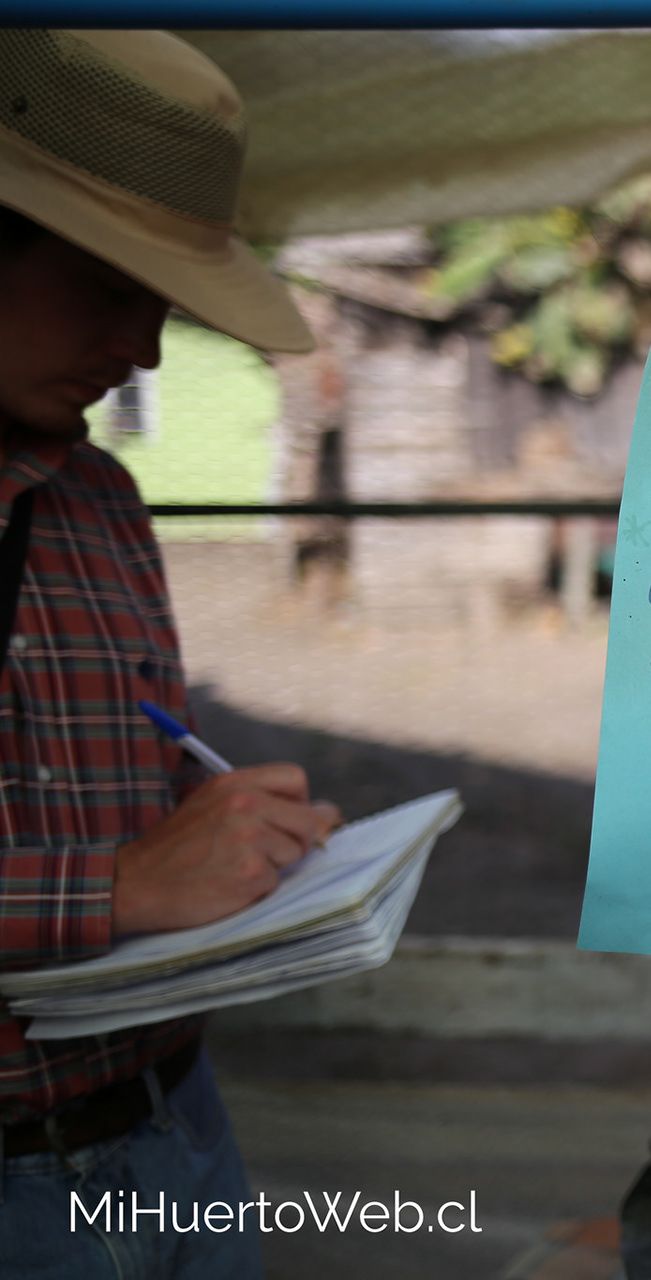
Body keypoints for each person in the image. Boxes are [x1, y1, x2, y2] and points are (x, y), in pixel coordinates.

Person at [0, 30, 338, 1278]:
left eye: (165, 300)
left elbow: (140, 778)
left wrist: (230, 845)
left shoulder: (100, 500)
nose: (144, 348)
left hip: (177, 1133)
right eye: (109, 286)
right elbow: (126, 872)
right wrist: (121, 887)